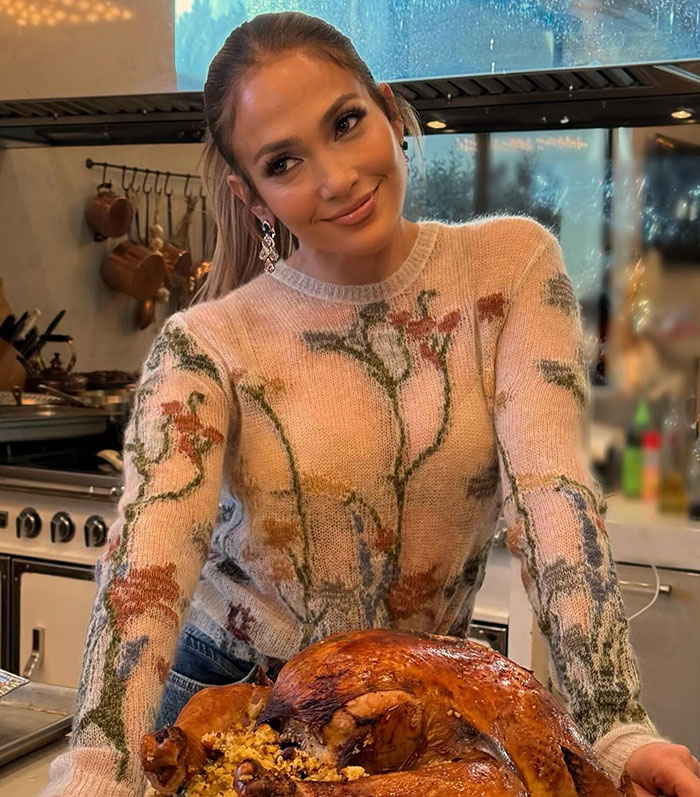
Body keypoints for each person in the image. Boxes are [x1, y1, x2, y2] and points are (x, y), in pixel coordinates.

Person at [44, 11, 700, 797]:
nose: (337, 178)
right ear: (250, 193)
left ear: (390, 111)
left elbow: (553, 498)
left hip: (420, 724)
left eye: (346, 123)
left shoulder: (510, 268)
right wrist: (97, 772)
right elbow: (143, 577)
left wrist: (616, 728)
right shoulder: (207, 341)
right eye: (285, 161)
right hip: (234, 721)